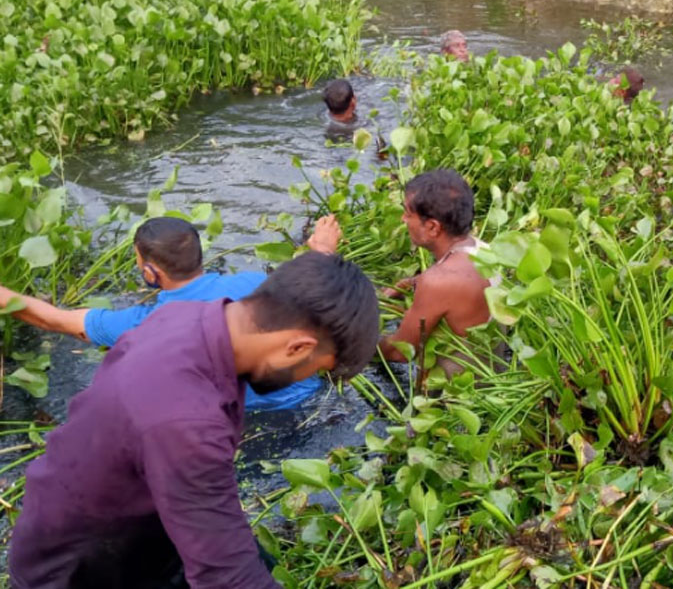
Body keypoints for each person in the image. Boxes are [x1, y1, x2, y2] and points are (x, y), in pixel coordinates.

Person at [9, 252, 380, 589]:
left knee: (258, 561)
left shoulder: (185, 314)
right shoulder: (187, 423)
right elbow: (225, 578)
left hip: (129, 517)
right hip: (80, 570)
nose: (305, 379)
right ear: (297, 348)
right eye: (316, 370)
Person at [0, 215, 342, 411]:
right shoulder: (256, 282)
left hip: (248, 416)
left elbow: (52, 319)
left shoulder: (148, 323)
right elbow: (311, 288)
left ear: (150, 273)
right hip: (311, 397)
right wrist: (322, 250)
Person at [378, 169, 492, 378]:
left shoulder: (438, 282)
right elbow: (461, 284)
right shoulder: (485, 250)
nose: (403, 219)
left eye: (408, 213)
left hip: (452, 400)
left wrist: (356, 346)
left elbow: (400, 351)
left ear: (432, 227)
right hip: (489, 379)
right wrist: (412, 283)